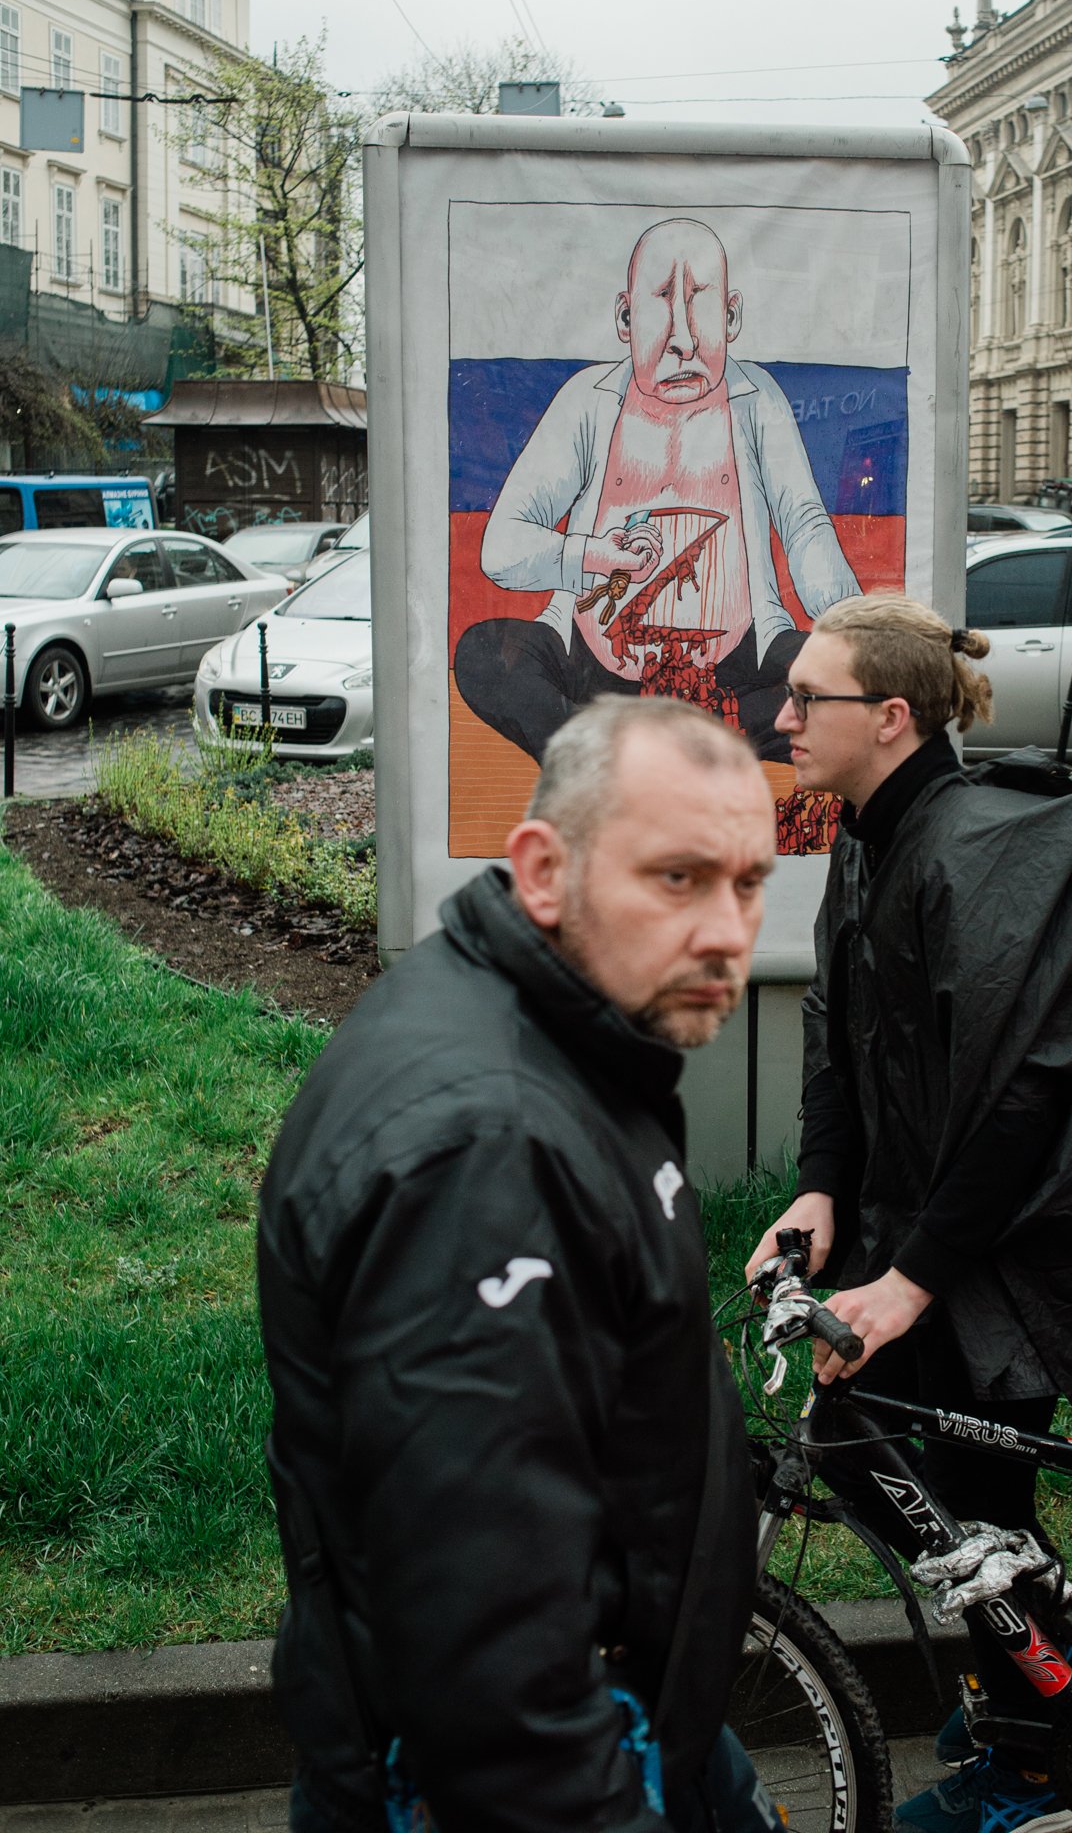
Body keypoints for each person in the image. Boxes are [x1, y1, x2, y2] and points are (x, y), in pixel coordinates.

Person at [744, 593, 1072, 1833]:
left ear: (887, 716)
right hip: (923, 1232)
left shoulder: (962, 851)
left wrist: (916, 1275)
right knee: (877, 1449)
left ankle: (1040, 1765)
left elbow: (1020, 1095)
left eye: (805, 697)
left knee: (967, 1491)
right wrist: (823, 1183)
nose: (781, 716)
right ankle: (1054, 1671)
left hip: (1000, 1251)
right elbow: (841, 1035)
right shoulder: (872, 837)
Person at [260, 696, 781, 1833]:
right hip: (541, 1758)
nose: (727, 932)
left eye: (749, 882)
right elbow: (484, 1640)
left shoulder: (550, 1031)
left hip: (637, 1698)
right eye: (678, 878)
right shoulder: (487, 1148)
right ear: (543, 869)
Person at [453, 216, 860, 759]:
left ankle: (619, 748)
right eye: (662, 304)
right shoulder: (586, 400)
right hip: (594, 667)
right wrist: (598, 556)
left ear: (732, 314)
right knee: (483, 653)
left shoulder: (759, 398)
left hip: (732, 673)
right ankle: (609, 750)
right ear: (625, 317)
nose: (683, 341)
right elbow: (502, 549)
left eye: (700, 305)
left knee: (844, 684)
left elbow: (804, 524)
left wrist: (857, 630)